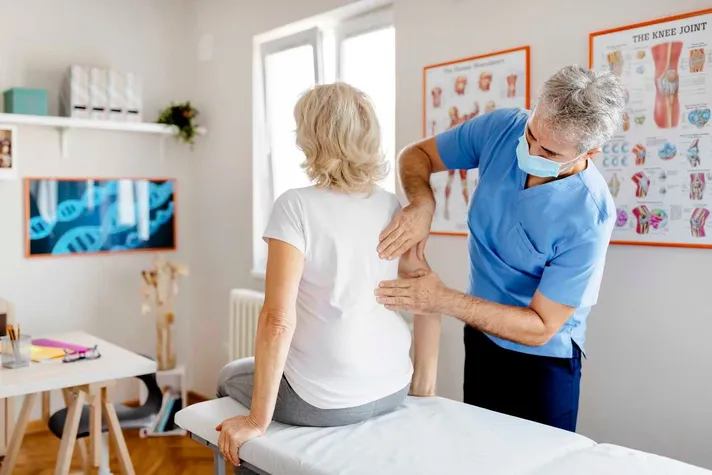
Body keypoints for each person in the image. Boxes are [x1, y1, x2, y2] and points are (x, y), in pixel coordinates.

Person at [374, 65, 626, 432]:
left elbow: (541, 327)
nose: (531, 150)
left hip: (543, 362)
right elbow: (416, 156)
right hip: (480, 335)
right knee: (479, 451)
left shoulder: (590, 214)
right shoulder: (503, 129)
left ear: (591, 152)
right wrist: (423, 204)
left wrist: (440, 299)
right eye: (532, 134)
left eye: (550, 152)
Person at [214, 83, 441, 468]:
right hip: (394, 384)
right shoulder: (388, 203)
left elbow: (277, 320)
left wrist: (255, 421)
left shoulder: (296, 206)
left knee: (227, 376)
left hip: (324, 399)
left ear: (313, 137)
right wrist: (423, 388)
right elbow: (425, 292)